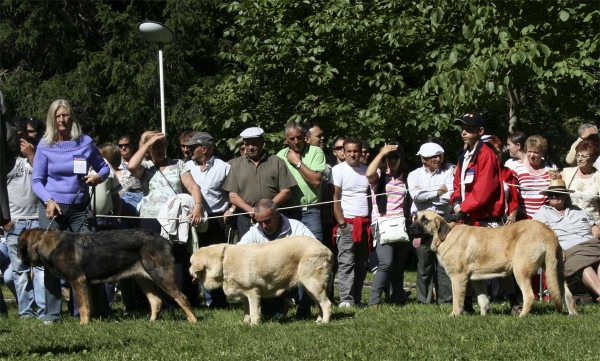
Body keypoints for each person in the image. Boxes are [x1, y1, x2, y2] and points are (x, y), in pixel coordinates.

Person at [32, 99, 110, 323]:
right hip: (52, 208)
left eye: (65, 115)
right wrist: (48, 200)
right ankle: (51, 314)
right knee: (50, 261)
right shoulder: (44, 145)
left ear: (71, 117)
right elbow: (37, 181)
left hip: (80, 207)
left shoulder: (85, 142)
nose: (62, 120)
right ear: (52, 119)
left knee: (91, 257)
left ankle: (95, 310)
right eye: (57, 116)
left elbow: (104, 167)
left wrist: (98, 176)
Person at [127, 130, 203, 305]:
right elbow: (131, 167)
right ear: (148, 149)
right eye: (155, 147)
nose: (160, 149)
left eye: (162, 145)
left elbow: (193, 188)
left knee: (175, 259)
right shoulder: (145, 167)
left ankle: (175, 301)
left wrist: (198, 207)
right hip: (150, 219)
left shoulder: (178, 165)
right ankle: (151, 302)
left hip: (174, 220)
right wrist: (147, 143)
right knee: (150, 260)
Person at [4, 117, 46, 319]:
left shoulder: (39, 154)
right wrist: (5, 220)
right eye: (17, 136)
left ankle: (44, 312)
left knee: (40, 269)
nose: (21, 140)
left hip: (37, 219)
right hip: (15, 220)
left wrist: (31, 155)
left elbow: (45, 177)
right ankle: (26, 314)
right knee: (19, 273)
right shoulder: (5, 158)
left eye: (24, 135)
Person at [223, 127, 297, 239]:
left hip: (273, 219)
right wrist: (251, 210)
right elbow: (233, 196)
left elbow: (286, 192)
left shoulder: (277, 162)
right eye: (247, 144)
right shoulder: (236, 165)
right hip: (246, 218)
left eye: (254, 144)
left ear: (262, 142)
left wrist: (266, 209)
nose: (251, 148)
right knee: (248, 252)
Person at [533, 179, 600, 302]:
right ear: (547, 197)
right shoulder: (541, 214)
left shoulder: (577, 209)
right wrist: (556, 248)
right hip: (568, 251)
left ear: (564, 196)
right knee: (582, 264)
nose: (554, 196)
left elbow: (592, 224)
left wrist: (595, 226)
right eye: (551, 194)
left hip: (591, 245)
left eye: (558, 194)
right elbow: (539, 237)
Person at [184, 131, 231, 308]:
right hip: (192, 219)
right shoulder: (187, 166)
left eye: (193, 147)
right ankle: (195, 300)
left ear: (204, 149)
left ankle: (218, 301)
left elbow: (231, 193)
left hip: (216, 219)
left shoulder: (224, 167)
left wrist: (231, 209)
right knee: (193, 259)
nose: (189, 151)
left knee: (216, 262)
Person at [407, 141, 454, 304]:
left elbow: (449, 196)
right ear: (423, 159)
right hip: (421, 223)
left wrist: (429, 195)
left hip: (443, 221)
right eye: (433, 156)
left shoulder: (450, 171)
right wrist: (438, 192)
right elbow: (416, 196)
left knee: (444, 263)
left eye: (439, 155)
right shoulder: (414, 175)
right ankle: (423, 300)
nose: (438, 159)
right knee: (424, 263)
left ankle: (446, 299)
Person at [366, 141, 411, 306]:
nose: (392, 160)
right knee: (385, 262)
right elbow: (368, 174)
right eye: (389, 157)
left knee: (399, 265)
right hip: (382, 223)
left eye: (396, 157)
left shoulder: (405, 178)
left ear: (401, 158)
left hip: (401, 223)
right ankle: (374, 301)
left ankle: (398, 298)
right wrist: (381, 153)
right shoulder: (379, 175)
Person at [331, 137, 371, 307]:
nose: (353, 154)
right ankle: (346, 299)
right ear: (344, 152)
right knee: (346, 263)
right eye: (349, 151)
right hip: (347, 223)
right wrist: (342, 224)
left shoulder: (366, 170)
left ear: (361, 152)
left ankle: (357, 298)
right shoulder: (338, 170)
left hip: (364, 223)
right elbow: (334, 198)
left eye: (356, 151)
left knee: (362, 264)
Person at [276, 122, 326, 240]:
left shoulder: (316, 151)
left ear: (305, 136)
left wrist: (297, 162)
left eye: (299, 137)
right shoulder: (279, 156)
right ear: (285, 139)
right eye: (292, 139)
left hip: (310, 211)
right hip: (288, 212)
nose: (296, 142)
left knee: (316, 249)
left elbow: (316, 181)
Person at [512, 135, 560, 219]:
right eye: (529, 151)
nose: (531, 155)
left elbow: (558, 192)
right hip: (525, 217)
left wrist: (558, 179)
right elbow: (512, 195)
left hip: (547, 216)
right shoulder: (517, 168)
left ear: (543, 153)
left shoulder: (551, 167)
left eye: (536, 152)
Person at [561, 140, 600, 232]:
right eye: (578, 156)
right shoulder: (567, 173)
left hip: (594, 227)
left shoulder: (598, 177)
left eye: (583, 156)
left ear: (592, 159)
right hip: (571, 224)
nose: (579, 159)